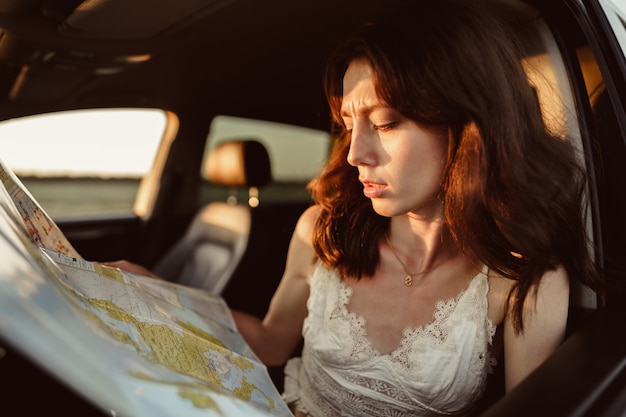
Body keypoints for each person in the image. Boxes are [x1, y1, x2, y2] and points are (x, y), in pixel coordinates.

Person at [106, 1, 605, 415]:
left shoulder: (524, 280)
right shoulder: (321, 231)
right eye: (349, 125)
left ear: (468, 126)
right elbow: (272, 342)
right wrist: (156, 293)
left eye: (385, 123)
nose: (354, 153)